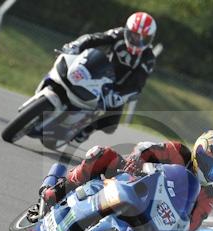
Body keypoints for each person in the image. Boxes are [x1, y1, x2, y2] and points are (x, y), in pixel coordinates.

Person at [41, 130, 213, 231]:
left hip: (152, 223)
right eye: (208, 162)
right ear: (197, 152)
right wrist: (136, 160)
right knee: (101, 154)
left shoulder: (207, 197)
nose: (210, 170)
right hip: (130, 182)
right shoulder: (177, 151)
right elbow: (146, 149)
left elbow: (191, 226)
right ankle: (57, 190)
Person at [61, 11, 157, 142]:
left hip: (116, 88)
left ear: (150, 39)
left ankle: (87, 129)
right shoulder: (118, 34)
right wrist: (76, 46)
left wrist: (120, 96)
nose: (137, 40)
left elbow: (137, 85)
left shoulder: (149, 58)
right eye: (134, 35)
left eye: (143, 38)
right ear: (128, 30)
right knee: (70, 74)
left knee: (110, 125)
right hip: (97, 70)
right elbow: (94, 38)